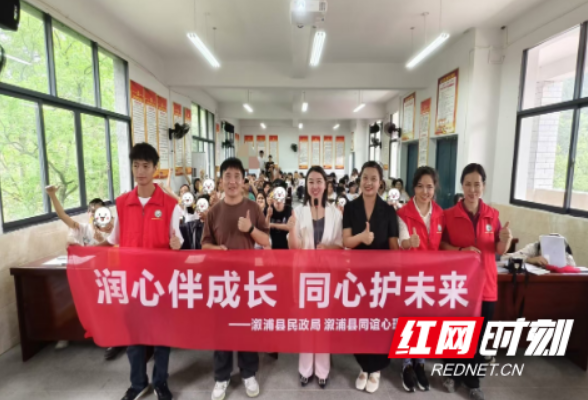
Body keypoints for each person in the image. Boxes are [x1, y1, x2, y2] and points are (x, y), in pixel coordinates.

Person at [99, 142, 182, 400]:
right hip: (132, 283)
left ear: (156, 168)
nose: (140, 171)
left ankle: (160, 382)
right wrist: (83, 252)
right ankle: (138, 384)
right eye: (136, 165)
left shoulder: (170, 205)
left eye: (146, 166)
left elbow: (178, 241)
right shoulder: (123, 204)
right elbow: (113, 240)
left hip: (160, 284)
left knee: (161, 338)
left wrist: (177, 244)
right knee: (134, 340)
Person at [440, 163, 512, 400]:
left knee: (479, 336)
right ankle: (451, 374)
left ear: (484, 186)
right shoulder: (449, 215)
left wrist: (505, 240)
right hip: (458, 285)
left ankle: (473, 381)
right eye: (468, 184)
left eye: (477, 184)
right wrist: (461, 251)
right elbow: (441, 245)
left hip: (486, 285)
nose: (472, 190)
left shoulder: (493, 215)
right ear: (462, 186)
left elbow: (498, 250)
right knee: (454, 331)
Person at [201, 157, 270, 400]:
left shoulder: (253, 208)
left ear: (243, 181)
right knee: (221, 329)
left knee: (246, 327)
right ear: (221, 181)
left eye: (236, 177)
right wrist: (216, 250)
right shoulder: (214, 211)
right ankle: (221, 377)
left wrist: (250, 229)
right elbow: (204, 245)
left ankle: (248, 373)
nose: (232, 181)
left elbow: (266, 241)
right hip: (221, 282)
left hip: (248, 280)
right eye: (227, 176)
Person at [45, 187, 123, 359]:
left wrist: (103, 238)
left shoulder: (111, 229)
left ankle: (114, 341)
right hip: (87, 275)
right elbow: (63, 216)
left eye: (99, 211)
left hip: (107, 276)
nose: (95, 214)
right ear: (88, 213)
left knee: (110, 308)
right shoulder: (83, 228)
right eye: (92, 211)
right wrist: (52, 195)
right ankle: (70, 333)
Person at [342, 161, 399, 394]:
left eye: (373, 179)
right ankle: (364, 367)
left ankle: (376, 369)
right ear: (359, 180)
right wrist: (361, 238)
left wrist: (406, 249)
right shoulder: (350, 207)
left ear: (380, 183)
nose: (368, 183)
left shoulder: (389, 211)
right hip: (357, 275)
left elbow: (393, 245)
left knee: (378, 322)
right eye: (365, 178)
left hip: (381, 276)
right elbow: (346, 241)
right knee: (361, 321)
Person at [288, 166, 343, 389]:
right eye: (311, 181)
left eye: (319, 181)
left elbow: (341, 245)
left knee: (322, 323)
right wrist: (291, 230)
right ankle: (305, 369)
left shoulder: (335, 213)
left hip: (327, 276)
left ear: (326, 185)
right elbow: (294, 247)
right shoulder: (298, 212)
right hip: (305, 275)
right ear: (306, 185)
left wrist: (328, 248)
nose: (315, 186)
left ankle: (322, 370)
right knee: (306, 322)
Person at [396, 166, 445, 392]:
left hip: (431, 277)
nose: (425, 191)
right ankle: (406, 365)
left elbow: (444, 245)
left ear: (435, 188)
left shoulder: (440, 214)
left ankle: (420, 363)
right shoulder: (403, 213)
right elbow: (402, 241)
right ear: (413, 187)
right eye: (420, 186)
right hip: (409, 276)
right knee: (408, 319)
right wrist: (409, 243)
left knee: (426, 320)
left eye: (429, 187)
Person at [501, 233, 576, 267]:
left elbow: (574, 269)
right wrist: (530, 260)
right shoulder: (535, 247)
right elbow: (504, 258)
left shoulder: (566, 253)